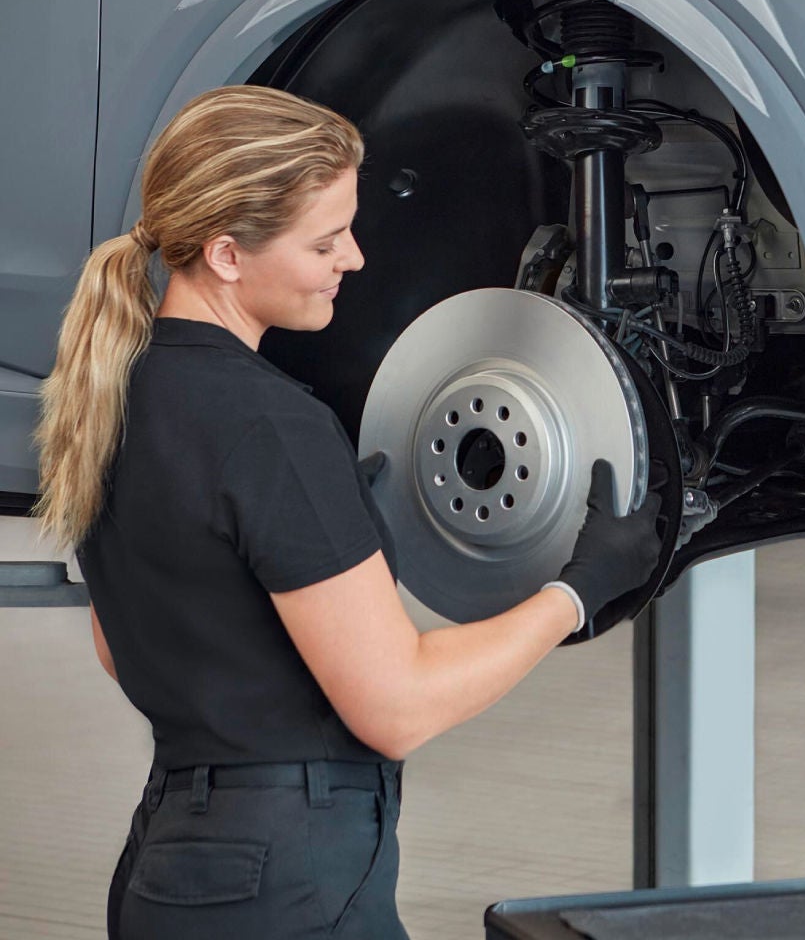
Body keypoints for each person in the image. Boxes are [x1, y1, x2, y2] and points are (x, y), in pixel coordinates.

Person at [34, 85, 663, 939]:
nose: (355, 259)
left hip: (172, 866)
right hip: (279, 881)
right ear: (226, 253)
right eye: (325, 240)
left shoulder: (110, 395)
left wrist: (322, 545)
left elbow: (124, 648)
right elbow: (394, 707)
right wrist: (578, 592)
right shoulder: (270, 427)